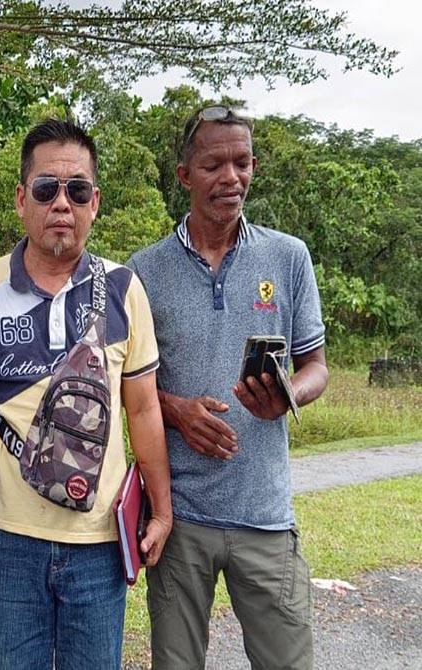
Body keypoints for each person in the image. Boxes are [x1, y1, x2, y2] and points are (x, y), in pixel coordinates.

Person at [0, 118, 173, 669]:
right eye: (47, 189)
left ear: (94, 202)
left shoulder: (124, 288)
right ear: (21, 198)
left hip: (99, 541)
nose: (61, 205)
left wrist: (162, 510)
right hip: (9, 542)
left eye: (76, 191)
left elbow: (143, 408)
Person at [127, 105, 329, 669]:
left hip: (265, 514)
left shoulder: (288, 257)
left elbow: (317, 365)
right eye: (214, 164)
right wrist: (177, 410)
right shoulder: (143, 271)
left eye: (241, 163)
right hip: (181, 516)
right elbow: (129, 386)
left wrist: (288, 394)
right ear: (184, 173)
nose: (230, 177)